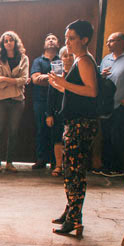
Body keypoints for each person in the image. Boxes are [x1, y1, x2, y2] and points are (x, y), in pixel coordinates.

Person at [48, 19, 99, 237]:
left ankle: (75, 219)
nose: (67, 42)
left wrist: (65, 84)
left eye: (72, 38)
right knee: (70, 170)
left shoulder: (85, 61)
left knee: (75, 172)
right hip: (74, 122)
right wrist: (61, 86)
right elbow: (76, 93)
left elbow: (91, 91)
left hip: (82, 124)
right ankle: (70, 211)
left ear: (84, 39)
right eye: (66, 38)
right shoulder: (79, 60)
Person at [96, 31, 124, 177]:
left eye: (111, 41)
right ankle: (106, 166)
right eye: (107, 41)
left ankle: (117, 167)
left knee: (118, 135)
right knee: (106, 135)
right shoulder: (106, 59)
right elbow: (99, 81)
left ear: (121, 42)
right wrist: (102, 75)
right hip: (107, 105)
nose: (108, 44)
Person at [0, 31, 30, 173]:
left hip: (17, 99)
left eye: (11, 40)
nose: (8, 43)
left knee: (13, 132)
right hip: (0, 99)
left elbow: (24, 79)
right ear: (2, 44)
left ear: (15, 42)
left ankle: (9, 162)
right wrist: (15, 81)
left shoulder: (24, 58)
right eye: (5, 41)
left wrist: (5, 79)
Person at [30, 34, 61, 170]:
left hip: (58, 101)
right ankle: (41, 159)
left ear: (58, 44)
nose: (51, 41)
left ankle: (56, 161)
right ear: (44, 44)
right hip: (40, 100)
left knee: (57, 130)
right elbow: (35, 80)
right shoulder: (38, 61)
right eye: (48, 39)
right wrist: (53, 78)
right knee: (41, 129)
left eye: (54, 39)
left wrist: (45, 77)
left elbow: (62, 80)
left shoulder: (61, 60)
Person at [46, 46, 75, 177]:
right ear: (61, 58)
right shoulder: (56, 74)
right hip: (58, 112)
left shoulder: (77, 73)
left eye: (70, 55)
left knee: (71, 141)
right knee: (57, 139)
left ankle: (70, 166)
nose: (68, 58)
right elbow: (50, 96)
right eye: (65, 56)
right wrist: (49, 114)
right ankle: (58, 166)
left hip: (73, 112)